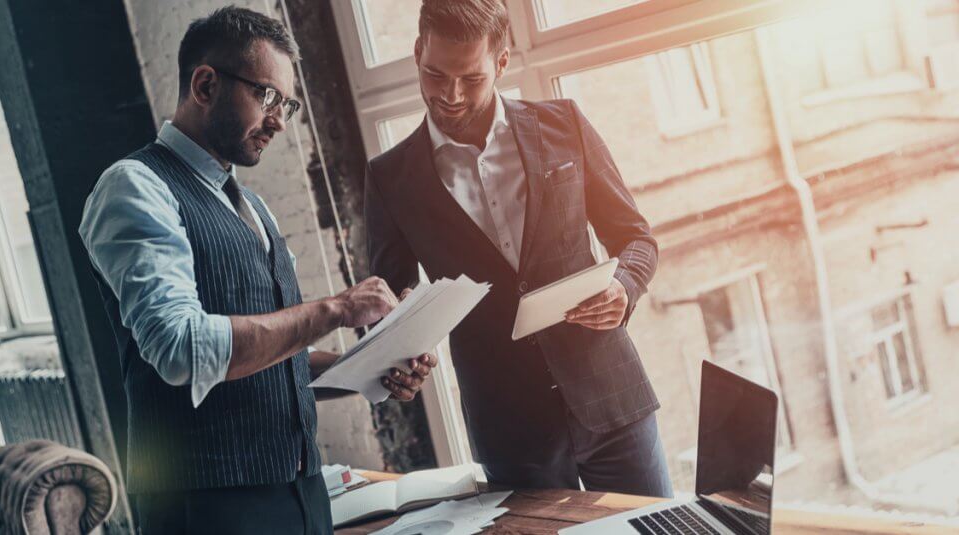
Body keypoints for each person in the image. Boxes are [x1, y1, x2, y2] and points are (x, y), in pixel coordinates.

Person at [80, 7, 436, 534]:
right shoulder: (135, 186)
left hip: (301, 494)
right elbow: (183, 348)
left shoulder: (254, 208)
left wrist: (369, 371)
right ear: (205, 84)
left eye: (286, 105)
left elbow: (274, 356)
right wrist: (336, 308)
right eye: (267, 96)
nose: (278, 120)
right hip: (208, 509)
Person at [365, 0, 672, 497]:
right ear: (418, 51)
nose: (451, 96)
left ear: (502, 63)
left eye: (471, 78)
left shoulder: (565, 124)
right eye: (435, 75)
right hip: (510, 426)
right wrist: (397, 358)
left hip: (611, 397)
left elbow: (636, 237)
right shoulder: (389, 179)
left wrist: (624, 284)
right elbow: (390, 306)